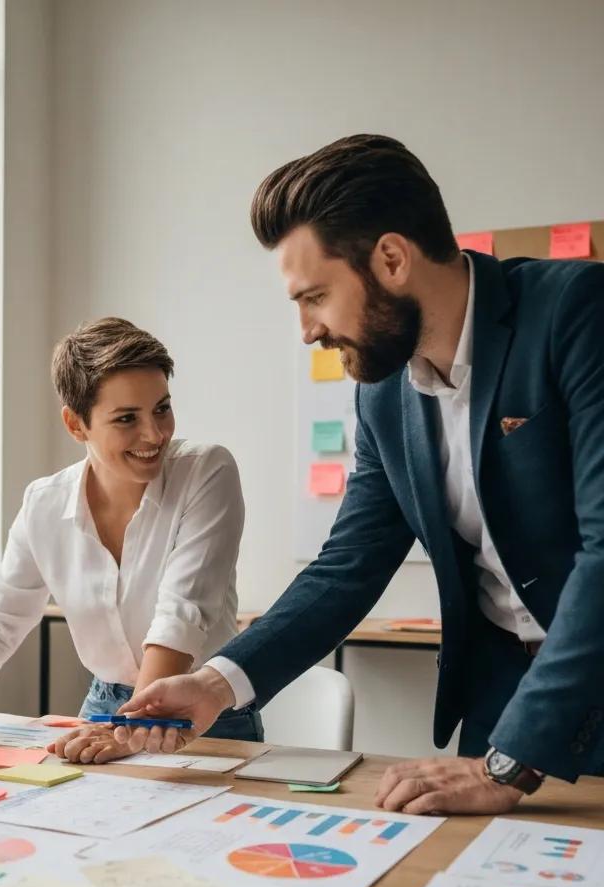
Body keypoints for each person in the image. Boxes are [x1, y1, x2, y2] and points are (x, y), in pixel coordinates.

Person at [116, 134, 604, 813]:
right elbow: (348, 565)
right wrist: (217, 684)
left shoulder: (577, 311)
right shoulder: (383, 394)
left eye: (314, 296)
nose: (306, 330)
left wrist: (507, 766)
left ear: (393, 259)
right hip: (502, 703)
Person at [0, 317, 257, 763]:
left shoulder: (207, 471)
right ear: (76, 424)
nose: (154, 434)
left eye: (161, 408)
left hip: (199, 709)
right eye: (127, 418)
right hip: (104, 708)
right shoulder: (44, 504)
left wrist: (132, 728)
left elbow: (181, 617)